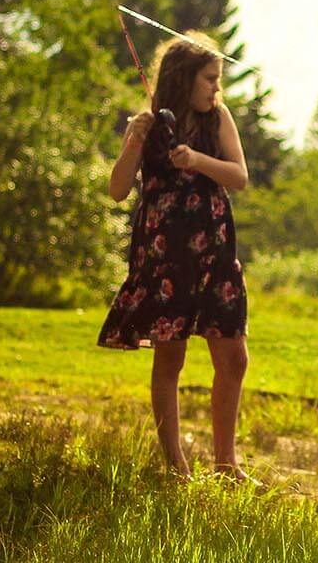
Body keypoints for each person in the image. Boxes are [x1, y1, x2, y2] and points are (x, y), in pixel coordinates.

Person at [96, 31, 254, 483]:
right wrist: (133, 143)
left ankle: (227, 466)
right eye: (210, 79)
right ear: (184, 78)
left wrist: (197, 160)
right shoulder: (149, 124)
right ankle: (175, 468)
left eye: (218, 80)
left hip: (215, 257)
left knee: (234, 358)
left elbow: (239, 176)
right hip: (166, 260)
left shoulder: (217, 118)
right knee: (170, 359)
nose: (216, 89)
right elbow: (117, 189)